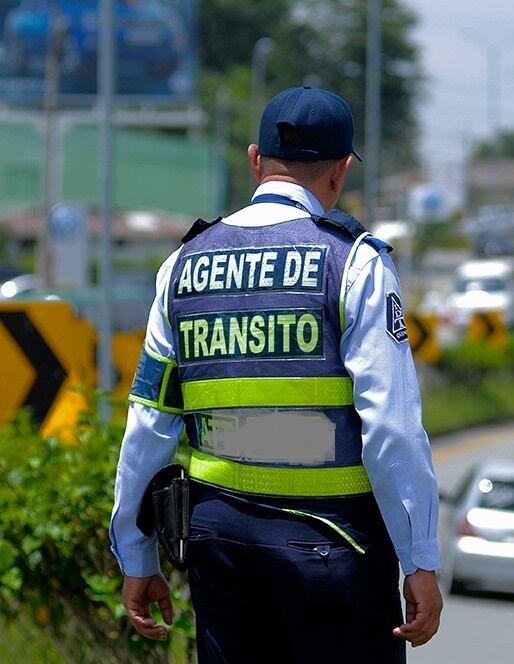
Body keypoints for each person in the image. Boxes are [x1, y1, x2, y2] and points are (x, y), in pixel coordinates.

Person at [109, 86, 443, 662]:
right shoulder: (355, 263)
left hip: (220, 546)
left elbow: (149, 422)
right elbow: (391, 428)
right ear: (340, 171)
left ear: (255, 160)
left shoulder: (181, 266)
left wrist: (135, 556)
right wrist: (419, 559)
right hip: (334, 548)